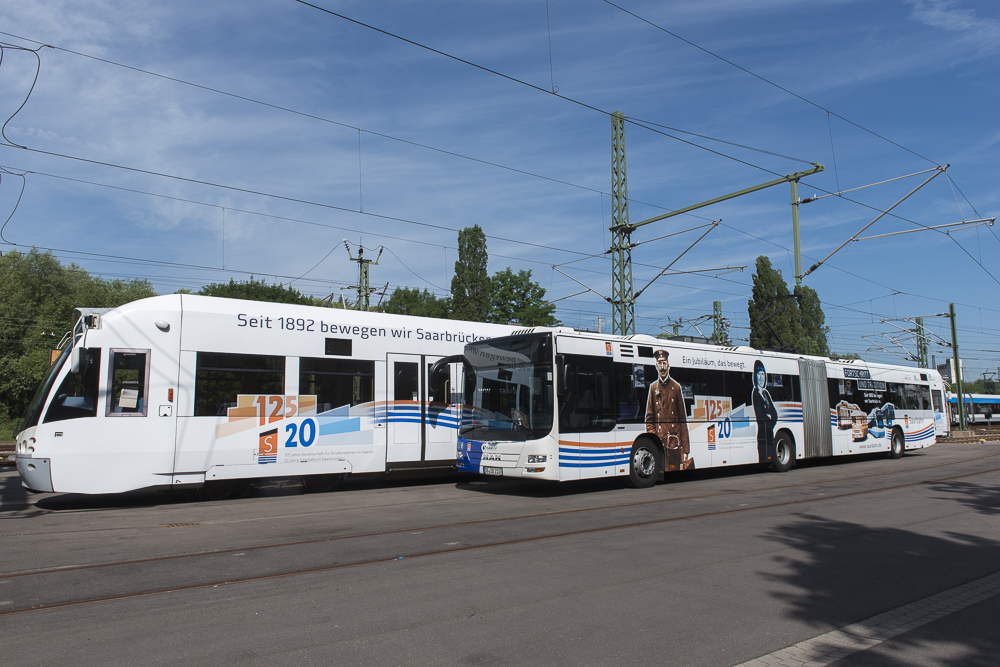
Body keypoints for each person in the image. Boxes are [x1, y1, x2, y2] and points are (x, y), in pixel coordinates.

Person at [645, 350, 691, 471]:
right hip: (659, 443)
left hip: (674, 445)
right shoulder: (653, 387)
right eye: (659, 363)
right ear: (656, 366)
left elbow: (682, 420)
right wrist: (653, 438)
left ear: (668, 365)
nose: (662, 367)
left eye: (664, 363)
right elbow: (649, 418)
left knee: (674, 472)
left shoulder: (676, 387)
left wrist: (686, 450)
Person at [751, 359, 778, 464]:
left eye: (763, 374)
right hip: (763, 436)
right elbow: (761, 415)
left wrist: (770, 419)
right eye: (759, 374)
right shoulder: (755, 394)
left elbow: (774, 413)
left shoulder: (766, 393)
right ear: (755, 376)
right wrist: (769, 417)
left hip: (770, 435)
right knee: (763, 458)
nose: (761, 377)